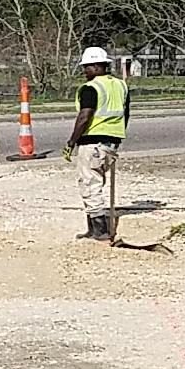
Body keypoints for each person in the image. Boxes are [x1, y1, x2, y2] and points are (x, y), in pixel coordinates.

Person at [66, 45, 131, 240]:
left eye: (86, 67)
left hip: (92, 142)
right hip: (111, 143)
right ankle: (92, 229)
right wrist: (117, 136)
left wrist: (72, 141)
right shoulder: (121, 86)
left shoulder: (91, 88)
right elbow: (125, 114)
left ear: (96, 66)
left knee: (89, 183)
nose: (84, 71)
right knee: (95, 181)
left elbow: (84, 116)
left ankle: (100, 231)